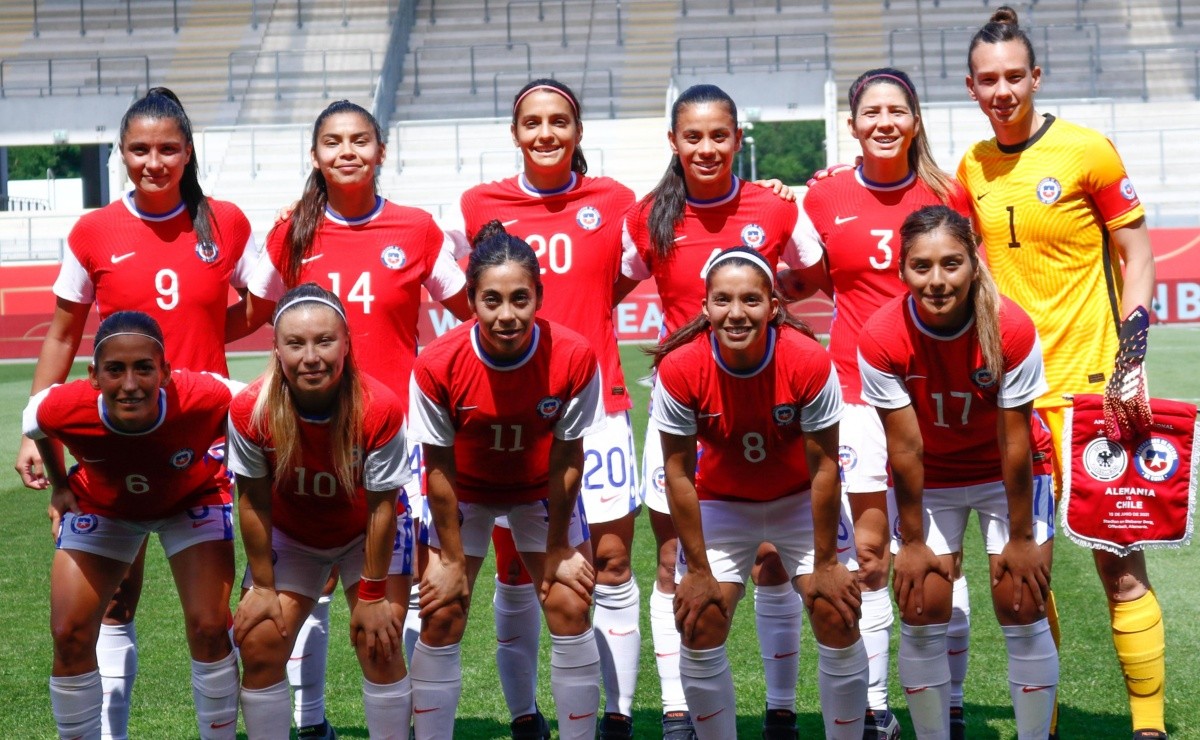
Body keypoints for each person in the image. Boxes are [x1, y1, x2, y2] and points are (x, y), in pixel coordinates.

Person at [13, 87, 258, 740]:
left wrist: (205, 340)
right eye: (140, 149)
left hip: (197, 438)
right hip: (114, 439)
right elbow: (63, 334)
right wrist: (37, 440)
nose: (154, 161)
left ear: (188, 152)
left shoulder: (225, 222)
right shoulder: (94, 230)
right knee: (114, 604)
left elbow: (263, 302)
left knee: (210, 622)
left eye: (168, 149)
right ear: (122, 152)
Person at [958, 9, 1162, 739]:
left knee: (1119, 562)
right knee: (1021, 575)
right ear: (972, 86)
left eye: (1015, 75)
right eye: (989, 79)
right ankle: (1044, 718)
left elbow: (1136, 256)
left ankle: (1148, 725)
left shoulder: (1087, 152)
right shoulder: (971, 167)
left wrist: (1131, 361)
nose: (1003, 89)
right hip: (1013, 404)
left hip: (1091, 393)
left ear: (1035, 77)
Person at [247, 99, 470, 738]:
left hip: (391, 440)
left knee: (384, 620)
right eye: (333, 142)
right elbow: (250, 312)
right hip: (305, 437)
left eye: (360, 140)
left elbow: (466, 308)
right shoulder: (291, 232)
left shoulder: (417, 228)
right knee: (301, 598)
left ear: (380, 150)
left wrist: (444, 390)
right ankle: (308, 719)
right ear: (315, 156)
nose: (347, 152)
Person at [619, 82, 812, 739]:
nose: (706, 147)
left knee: (772, 557)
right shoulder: (648, 217)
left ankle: (781, 708)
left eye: (719, 135)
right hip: (683, 415)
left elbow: (813, 277)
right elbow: (603, 286)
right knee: (674, 560)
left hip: (765, 409)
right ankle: (679, 709)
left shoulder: (775, 209)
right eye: (692, 136)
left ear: (738, 138)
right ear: (673, 142)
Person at [787, 67, 971, 739]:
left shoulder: (949, 193)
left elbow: (978, 286)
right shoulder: (825, 194)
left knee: (941, 555)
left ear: (915, 120)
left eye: (897, 110)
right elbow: (796, 276)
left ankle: (946, 704)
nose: (885, 121)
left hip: (937, 399)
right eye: (872, 111)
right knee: (868, 558)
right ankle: (873, 708)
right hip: (858, 399)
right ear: (853, 123)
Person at [458, 78, 639, 739]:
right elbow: (466, 296)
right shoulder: (479, 205)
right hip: (513, 412)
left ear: (578, 131)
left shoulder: (615, 201)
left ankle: (616, 716)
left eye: (559, 121)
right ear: (515, 133)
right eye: (532, 122)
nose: (545, 133)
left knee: (611, 561)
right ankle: (524, 717)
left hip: (601, 407)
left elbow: (627, 280)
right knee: (517, 570)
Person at [858, 205, 1058, 739]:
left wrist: (1019, 537)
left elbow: (1013, 438)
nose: (938, 280)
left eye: (951, 264)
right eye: (921, 266)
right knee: (922, 605)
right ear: (902, 270)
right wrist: (915, 541)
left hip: (1008, 470)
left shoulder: (1010, 325)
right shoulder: (880, 335)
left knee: (1020, 600)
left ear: (974, 263)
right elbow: (905, 448)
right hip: (934, 474)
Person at [651, 246, 867, 739]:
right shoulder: (681, 368)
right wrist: (700, 571)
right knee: (699, 621)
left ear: (773, 306)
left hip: (797, 498)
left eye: (750, 300)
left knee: (837, 611)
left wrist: (828, 562)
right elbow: (679, 474)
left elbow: (824, 466)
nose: (735, 313)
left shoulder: (807, 359)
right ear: (705, 308)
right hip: (723, 505)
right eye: (722, 300)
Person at [407, 222, 605, 740]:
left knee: (569, 602)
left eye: (521, 298)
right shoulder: (437, 364)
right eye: (491, 300)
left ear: (539, 296)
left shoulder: (574, 355)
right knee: (443, 611)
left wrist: (560, 546)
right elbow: (438, 467)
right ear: (470, 298)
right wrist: (450, 561)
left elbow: (569, 457)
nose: (507, 315)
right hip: (464, 491)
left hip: (538, 488)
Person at [22, 311, 241, 739]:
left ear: (166, 372)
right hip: (106, 506)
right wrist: (60, 485)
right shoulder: (64, 406)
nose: (129, 384)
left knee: (211, 627)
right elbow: (37, 423)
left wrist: (245, 471)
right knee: (69, 633)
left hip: (189, 500)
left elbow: (257, 411)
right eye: (115, 370)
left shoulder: (206, 394)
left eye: (144, 368)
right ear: (93, 376)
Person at [228, 284, 413, 738]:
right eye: (296, 343)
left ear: (347, 342)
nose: (311, 357)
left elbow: (382, 508)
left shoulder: (380, 408)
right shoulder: (250, 409)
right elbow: (252, 499)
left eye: (324, 341)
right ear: (276, 348)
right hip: (295, 537)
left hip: (365, 534)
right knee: (260, 643)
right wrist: (264, 585)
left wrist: (371, 594)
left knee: (380, 643)